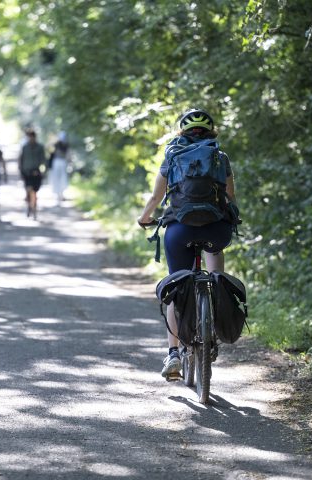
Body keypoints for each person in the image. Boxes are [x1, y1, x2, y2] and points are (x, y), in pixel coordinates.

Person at [137, 108, 238, 380]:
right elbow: (230, 197)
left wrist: (144, 218)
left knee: (176, 287)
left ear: (181, 131)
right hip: (216, 229)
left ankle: (173, 355)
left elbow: (156, 197)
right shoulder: (219, 157)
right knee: (216, 272)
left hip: (180, 229)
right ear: (211, 131)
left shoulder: (172, 155)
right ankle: (212, 328)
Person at [18, 129, 47, 219]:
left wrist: (44, 171)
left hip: (36, 172)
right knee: (29, 190)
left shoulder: (40, 147)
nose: (31, 139)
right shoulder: (25, 147)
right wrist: (21, 170)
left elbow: (44, 160)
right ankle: (30, 207)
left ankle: (33, 208)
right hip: (27, 172)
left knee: (34, 192)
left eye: (32, 137)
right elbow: (21, 159)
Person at [49, 131, 71, 204]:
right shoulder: (62, 144)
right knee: (61, 178)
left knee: (59, 178)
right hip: (61, 162)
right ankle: (60, 195)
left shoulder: (58, 144)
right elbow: (68, 155)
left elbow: (48, 147)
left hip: (58, 162)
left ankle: (59, 195)